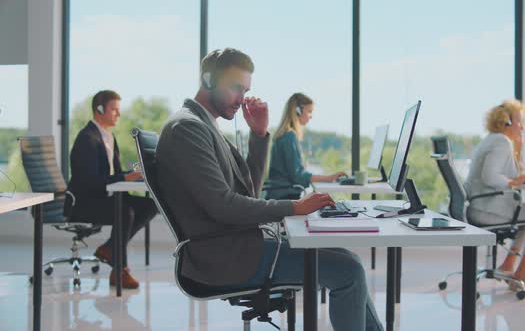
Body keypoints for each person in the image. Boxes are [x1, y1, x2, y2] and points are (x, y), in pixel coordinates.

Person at [156, 48, 384, 331]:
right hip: (226, 256)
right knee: (348, 272)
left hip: (239, 243)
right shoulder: (187, 128)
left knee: (348, 258)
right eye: (235, 88)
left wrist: (259, 135)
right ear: (209, 80)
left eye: (246, 90)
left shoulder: (204, 125)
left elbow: (247, 193)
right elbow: (223, 206)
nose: (241, 99)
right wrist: (294, 207)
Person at [66, 90, 157, 289]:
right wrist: (125, 177)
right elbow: (90, 181)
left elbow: (110, 173)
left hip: (106, 197)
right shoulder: (87, 139)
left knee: (151, 204)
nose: (118, 114)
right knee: (124, 211)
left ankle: (109, 248)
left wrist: (133, 175)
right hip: (85, 203)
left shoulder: (108, 136)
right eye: (114, 109)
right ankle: (120, 269)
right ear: (99, 109)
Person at [464, 99, 525, 295]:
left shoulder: (493, 139)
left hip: (481, 207)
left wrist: (518, 150)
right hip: (488, 209)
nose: (522, 127)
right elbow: (490, 177)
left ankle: (508, 266)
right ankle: (521, 274)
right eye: (518, 122)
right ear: (505, 123)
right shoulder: (500, 142)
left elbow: (501, 172)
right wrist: (514, 182)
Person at [265, 92, 346, 199]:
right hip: (284, 198)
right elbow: (298, 177)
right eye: (309, 112)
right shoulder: (289, 136)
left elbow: (292, 171)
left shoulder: (285, 135)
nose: (310, 116)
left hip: (279, 196)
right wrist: (329, 178)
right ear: (298, 111)